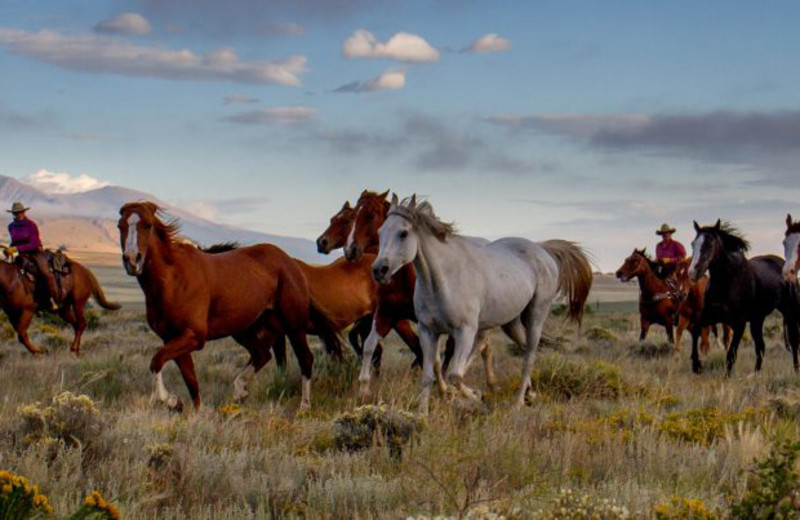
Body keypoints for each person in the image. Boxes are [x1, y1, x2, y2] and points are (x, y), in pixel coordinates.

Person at [5, 202, 56, 311]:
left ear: (23, 212)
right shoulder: (11, 227)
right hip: (19, 254)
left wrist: (15, 249)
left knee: (45, 273)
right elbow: (14, 242)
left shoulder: (31, 225)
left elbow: (34, 243)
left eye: (19, 212)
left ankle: (50, 299)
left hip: (34, 253)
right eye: (15, 213)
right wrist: (9, 250)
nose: (17, 215)